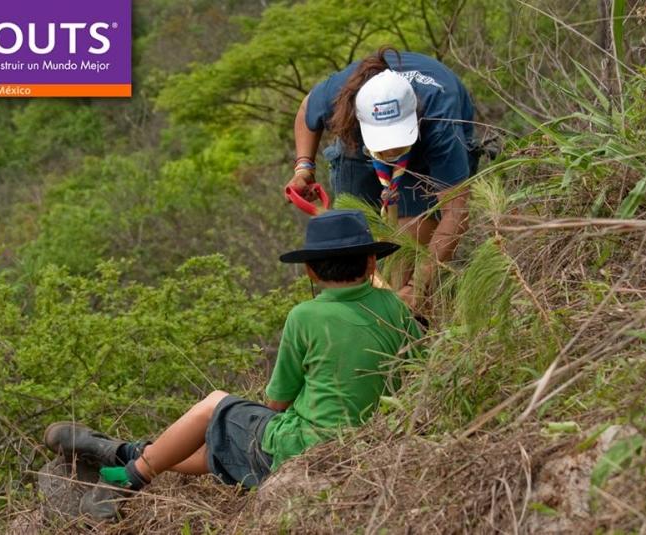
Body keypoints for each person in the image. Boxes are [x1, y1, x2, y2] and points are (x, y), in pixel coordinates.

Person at [43, 210, 423, 520]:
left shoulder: (305, 316)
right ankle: (119, 451)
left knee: (214, 405)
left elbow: (276, 403)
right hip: (365, 444)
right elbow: (416, 373)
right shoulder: (397, 309)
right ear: (372, 261)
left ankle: (125, 480)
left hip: (305, 446)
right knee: (219, 450)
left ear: (310, 271)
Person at [286, 48, 479, 309]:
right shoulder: (340, 95)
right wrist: (303, 168)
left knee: (406, 253)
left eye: (396, 141)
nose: (390, 151)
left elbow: (456, 214)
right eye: (384, 143)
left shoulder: (441, 122)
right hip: (358, 147)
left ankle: (406, 320)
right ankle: (355, 313)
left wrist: (417, 286)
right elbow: (306, 109)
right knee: (352, 243)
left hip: (422, 153)